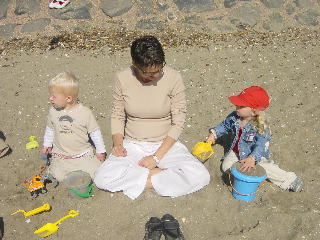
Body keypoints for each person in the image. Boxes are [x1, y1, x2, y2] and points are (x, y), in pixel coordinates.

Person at [94, 35, 210, 200]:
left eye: (159, 70)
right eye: (150, 73)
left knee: (201, 175)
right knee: (102, 177)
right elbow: (118, 115)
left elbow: (178, 122)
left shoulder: (173, 77)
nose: (156, 76)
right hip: (133, 143)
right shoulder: (123, 77)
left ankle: (142, 178)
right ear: (135, 65)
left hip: (165, 144)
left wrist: (156, 157)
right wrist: (118, 144)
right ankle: (159, 177)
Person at [206, 86, 303, 192]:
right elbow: (224, 126)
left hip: (255, 154)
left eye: (240, 106)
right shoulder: (234, 117)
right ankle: (248, 176)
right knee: (226, 167)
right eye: (237, 104)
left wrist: (252, 158)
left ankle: (289, 180)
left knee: (266, 169)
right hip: (236, 151)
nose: (236, 107)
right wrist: (213, 134)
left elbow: (261, 144)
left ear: (253, 111)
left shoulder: (260, 125)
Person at [42, 71, 106, 182]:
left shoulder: (85, 113)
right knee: (58, 176)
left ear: (68, 98)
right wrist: (47, 144)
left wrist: (100, 150)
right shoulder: (53, 112)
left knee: (96, 172)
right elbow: (50, 129)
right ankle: (56, 169)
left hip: (82, 154)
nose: (50, 98)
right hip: (61, 155)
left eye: (54, 96)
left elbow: (95, 132)